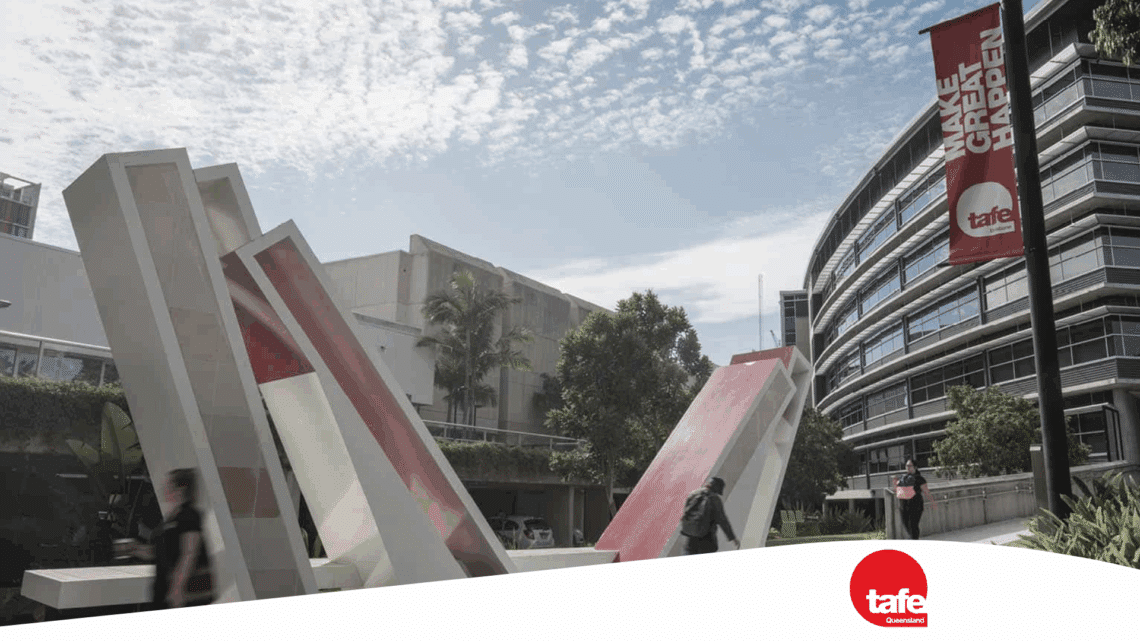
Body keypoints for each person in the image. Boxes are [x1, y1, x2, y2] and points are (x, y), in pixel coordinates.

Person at [116, 469, 214, 609]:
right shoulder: (169, 520)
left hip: (185, 595)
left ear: (181, 489)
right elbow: (159, 552)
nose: (164, 488)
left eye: (168, 484)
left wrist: (177, 587)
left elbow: (190, 552)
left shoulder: (189, 515)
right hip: (163, 591)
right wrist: (134, 548)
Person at [680, 477, 740, 555]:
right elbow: (722, 520)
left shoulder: (693, 494)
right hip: (707, 539)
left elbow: (686, 512)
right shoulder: (714, 499)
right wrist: (732, 538)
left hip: (691, 538)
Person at [891, 460, 937, 540]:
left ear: (915, 467)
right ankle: (914, 541)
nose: (907, 468)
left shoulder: (919, 479)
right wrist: (895, 484)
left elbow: (926, 492)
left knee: (913, 526)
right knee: (906, 526)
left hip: (916, 506)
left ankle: (914, 543)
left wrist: (933, 503)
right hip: (903, 506)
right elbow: (897, 491)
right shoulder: (902, 478)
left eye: (910, 466)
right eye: (906, 466)